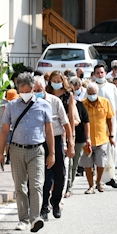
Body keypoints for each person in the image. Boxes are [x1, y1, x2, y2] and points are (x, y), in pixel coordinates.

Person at [0, 72, 55, 233]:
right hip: (16, 150)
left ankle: (35, 218)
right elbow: (4, 131)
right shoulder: (11, 106)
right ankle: (23, 220)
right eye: (22, 91)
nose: (25, 94)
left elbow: (49, 131)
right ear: (18, 89)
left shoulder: (44, 105)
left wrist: (52, 153)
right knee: (20, 186)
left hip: (37, 150)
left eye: (28, 90)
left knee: (36, 185)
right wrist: (0, 153)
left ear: (34, 88)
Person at [32, 75, 74, 220]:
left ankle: (55, 202)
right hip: (39, 140)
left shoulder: (55, 101)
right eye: (35, 89)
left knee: (60, 174)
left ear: (45, 88)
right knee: (43, 176)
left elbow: (67, 123)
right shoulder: (31, 102)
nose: (37, 92)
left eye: (40, 89)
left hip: (56, 139)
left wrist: (71, 143)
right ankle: (43, 207)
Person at [43, 72, 78, 211]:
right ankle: (44, 204)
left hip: (60, 134)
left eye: (59, 80)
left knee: (61, 172)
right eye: (54, 80)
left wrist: (71, 140)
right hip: (45, 136)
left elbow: (69, 118)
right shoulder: (46, 94)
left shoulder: (67, 95)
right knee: (46, 172)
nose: (56, 82)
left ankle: (56, 200)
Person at [92, 64, 117, 189]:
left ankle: (111, 177)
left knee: (112, 151)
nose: (100, 75)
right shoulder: (91, 88)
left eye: (102, 72)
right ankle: (98, 179)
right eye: (98, 73)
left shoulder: (112, 88)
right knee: (99, 151)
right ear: (94, 74)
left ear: (105, 73)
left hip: (111, 124)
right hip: (97, 125)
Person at [80, 82, 115, 194]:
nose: (92, 95)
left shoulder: (105, 102)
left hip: (102, 138)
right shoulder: (82, 104)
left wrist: (111, 135)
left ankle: (99, 181)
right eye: (89, 93)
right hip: (87, 140)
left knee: (101, 163)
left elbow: (109, 119)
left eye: (94, 93)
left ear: (97, 93)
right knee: (88, 165)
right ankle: (91, 186)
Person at [66, 77, 90, 192]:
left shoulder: (80, 105)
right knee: (66, 164)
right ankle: (64, 186)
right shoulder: (61, 104)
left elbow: (85, 122)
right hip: (64, 137)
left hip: (78, 138)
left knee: (74, 164)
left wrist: (88, 138)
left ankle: (69, 186)